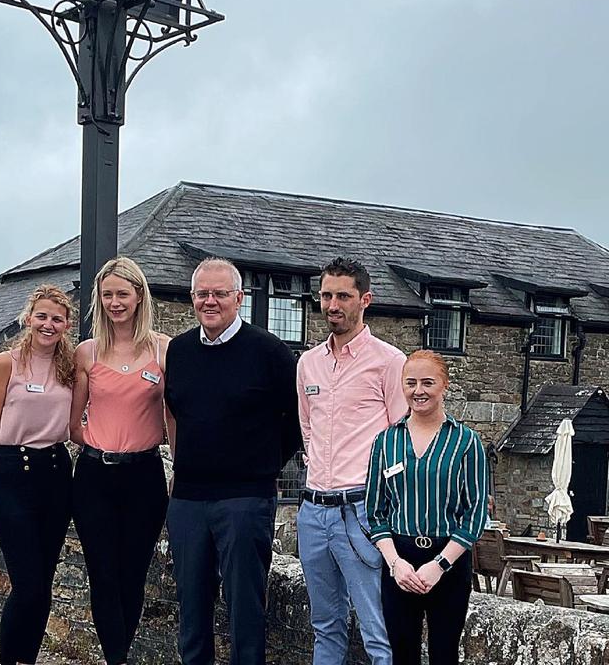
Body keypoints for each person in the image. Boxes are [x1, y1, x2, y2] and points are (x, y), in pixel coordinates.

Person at [164, 257, 301, 665]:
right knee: (190, 605)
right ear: (192, 298)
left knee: (244, 605)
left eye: (220, 294)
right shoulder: (180, 350)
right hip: (188, 497)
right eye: (202, 294)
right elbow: (174, 411)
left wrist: (262, 465)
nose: (211, 301)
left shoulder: (270, 351)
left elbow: (296, 420)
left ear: (239, 298)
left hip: (246, 498)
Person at [296, 257, 407, 665]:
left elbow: (403, 440)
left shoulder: (390, 362)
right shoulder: (307, 363)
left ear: (366, 300)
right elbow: (307, 429)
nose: (333, 304)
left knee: (378, 631)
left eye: (343, 295)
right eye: (326, 295)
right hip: (312, 512)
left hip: (361, 511)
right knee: (324, 626)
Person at [70, 257, 171, 665]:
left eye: (122, 294)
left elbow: (174, 417)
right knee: (103, 574)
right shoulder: (86, 353)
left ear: (139, 296)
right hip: (95, 476)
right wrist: (101, 442)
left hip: (145, 475)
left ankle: (119, 656)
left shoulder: (164, 350)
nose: (115, 302)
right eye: (107, 294)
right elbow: (73, 421)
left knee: (133, 575)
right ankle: (116, 659)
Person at [0, 284, 76, 665]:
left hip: (55, 473)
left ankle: (26, 660)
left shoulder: (70, 367)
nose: (49, 324)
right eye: (42, 316)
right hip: (12, 474)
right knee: (28, 584)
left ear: (67, 325)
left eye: (57, 319)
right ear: (28, 318)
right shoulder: (6, 363)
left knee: (43, 584)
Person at [366, 350, 488, 665]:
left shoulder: (466, 442)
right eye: (411, 383)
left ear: (444, 386)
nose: (418, 391)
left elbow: (474, 514)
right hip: (400, 562)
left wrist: (439, 565)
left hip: (448, 561)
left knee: (444, 654)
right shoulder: (385, 442)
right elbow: (375, 512)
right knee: (402, 655)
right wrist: (395, 564)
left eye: (427, 383)